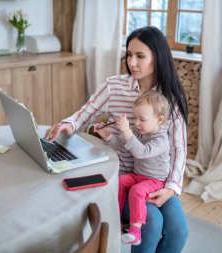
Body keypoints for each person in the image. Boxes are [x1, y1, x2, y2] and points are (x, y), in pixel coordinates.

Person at [45, 26, 189, 252]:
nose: (132, 62)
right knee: (152, 223)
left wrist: (171, 188)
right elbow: (86, 112)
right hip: (122, 177)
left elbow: (179, 149)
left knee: (179, 231)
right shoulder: (115, 86)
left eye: (140, 56)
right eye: (129, 55)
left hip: (156, 178)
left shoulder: (171, 97)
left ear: (158, 58)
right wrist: (69, 123)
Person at [94, 91, 171, 245]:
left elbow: (142, 153)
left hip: (155, 180)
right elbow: (123, 144)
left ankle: (135, 230)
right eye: (135, 118)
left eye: (142, 119)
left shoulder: (161, 139)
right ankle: (117, 219)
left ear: (159, 119)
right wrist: (108, 136)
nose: (136, 123)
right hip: (138, 175)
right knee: (121, 181)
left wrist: (126, 131)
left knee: (137, 190)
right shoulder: (140, 133)